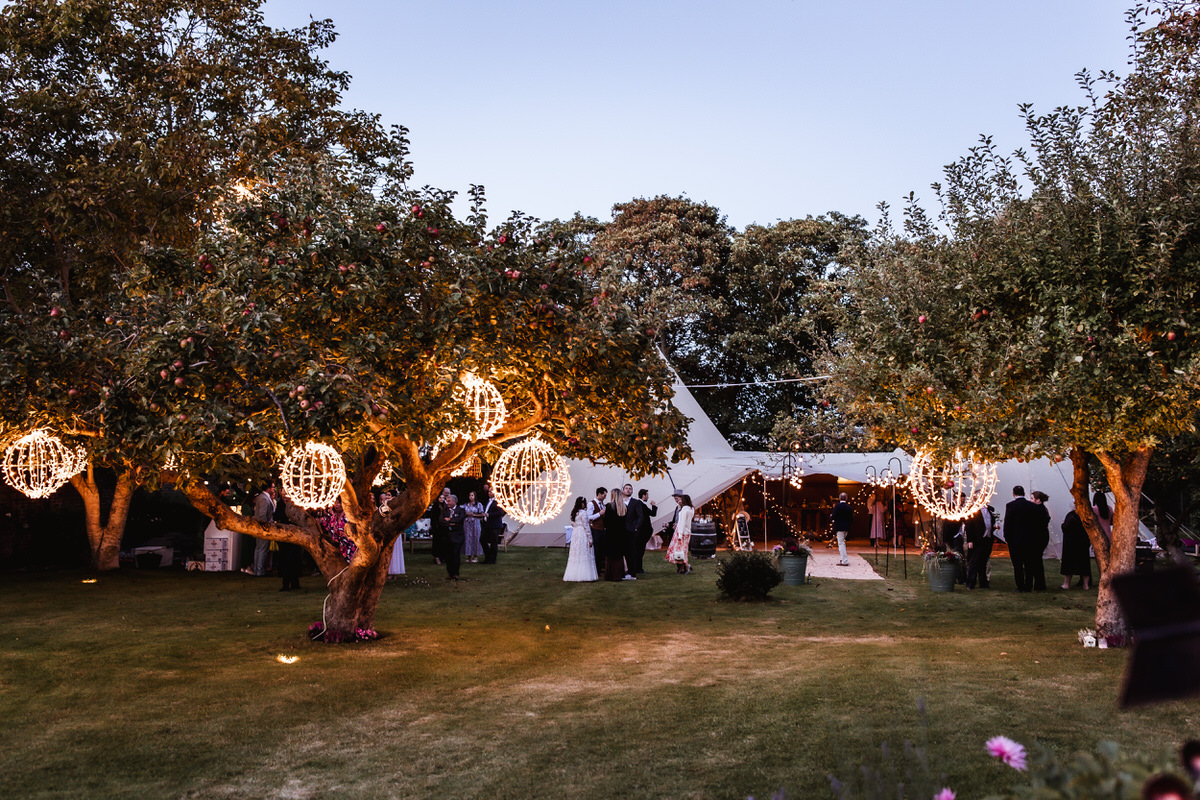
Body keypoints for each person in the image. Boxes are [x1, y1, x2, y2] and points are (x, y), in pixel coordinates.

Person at [1004, 485, 1040, 592]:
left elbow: (1008, 523)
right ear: (1024, 494)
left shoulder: (1011, 506)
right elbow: (1036, 524)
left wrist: (1007, 537)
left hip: (1015, 541)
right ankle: (1029, 585)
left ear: (1013, 494)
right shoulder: (1032, 506)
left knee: (1017, 565)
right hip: (1029, 540)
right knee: (1029, 564)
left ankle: (1020, 585)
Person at [274, 487, 303, 591]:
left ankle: (294, 583)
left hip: (295, 535)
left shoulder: (296, 505)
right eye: (283, 494)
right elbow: (276, 516)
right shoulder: (281, 504)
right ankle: (286, 584)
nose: (285, 496)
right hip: (284, 536)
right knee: (286, 559)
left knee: (293, 559)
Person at [563, 497, 598, 582]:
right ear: (583, 504)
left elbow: (573, 523)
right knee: (584, 552)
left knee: (576, 552)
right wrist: (590, 539)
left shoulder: (575, 513)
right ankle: (585, 574)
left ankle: (573, 574)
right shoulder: (583, 513)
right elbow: (586, 526)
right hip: (582, 533)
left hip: (575, 533)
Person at [244, 484, 275, 576]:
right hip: (263, 527)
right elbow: (262, 515)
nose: (273, 489)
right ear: (268, 488)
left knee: (259, 548)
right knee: (262, 548)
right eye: (272, 487)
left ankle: (258, 569)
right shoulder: (264, 498)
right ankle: (259, 570)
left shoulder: (262, 497)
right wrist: (265, 526)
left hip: (260, 526)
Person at [625, 488, 658, 574]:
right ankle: (637, 568)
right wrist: (653, 505)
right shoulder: (640, 504)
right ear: (644, 496)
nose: (648, 497)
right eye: (647, 495)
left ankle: (637, 567)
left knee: (639, 550)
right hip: (641, 531)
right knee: (639, 550)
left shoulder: (640, 504)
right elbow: (652, 513)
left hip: (641, 531)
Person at [604, 486, 633, 581]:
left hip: (611, 534)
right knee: (619, 556)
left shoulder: (609, 506)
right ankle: (618, 575)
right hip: (621, 535)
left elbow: (606, 522)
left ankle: (610, 575)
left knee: (611, 556)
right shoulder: (624, 508)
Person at [1059, 509, 1092, 590]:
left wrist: (1063, 524)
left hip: (1070, 543)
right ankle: (1086, 585)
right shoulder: (1086, 515)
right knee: (1084, 565)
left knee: (1069, 565)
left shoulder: (1070, 515)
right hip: (1083, 543)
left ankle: (1066, 584)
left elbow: (1065, 527)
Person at [963, 506, 992, 589]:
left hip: (987, 539)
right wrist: (970, 540)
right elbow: (969, 525)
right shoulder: (973, 510)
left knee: (983, 561)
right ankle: (971, 582)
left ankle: (983, 582)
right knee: (974, 561)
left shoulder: (988, 510)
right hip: (976, 539)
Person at [665, 493, 694, 574]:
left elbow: (682, 523)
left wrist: (680, 535)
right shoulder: (691, 509)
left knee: (679, 551)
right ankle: (684, 566)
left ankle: (686, 565)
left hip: (681, 532)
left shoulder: (684, 510)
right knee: (684, 550)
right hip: (687, 532)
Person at [1029, 491, 1051, 591]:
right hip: (1041, 537)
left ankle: (1039, 584)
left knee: (1036, 561)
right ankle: (1039, 584)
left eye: (1032, 498)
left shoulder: (1038, 510)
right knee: (1036, 561)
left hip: (1038, 538)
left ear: (1038, 500)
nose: (1030, 500)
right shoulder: (1043, 510)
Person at [442, 493, 466, 580]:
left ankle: (456, 573)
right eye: (446, 501)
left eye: (449, 501)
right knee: (448, 555)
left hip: (457, 536)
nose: (447, 503)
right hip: (447, 536)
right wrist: (450, 522)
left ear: (454, 502)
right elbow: (441, 520)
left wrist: (450, 520)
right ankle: (450, 573)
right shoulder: (445, 511)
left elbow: (460, 520)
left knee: (455, 554)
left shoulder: (461, 510)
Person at [480, 483, 505, 564]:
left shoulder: (498, 501)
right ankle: (488, 556)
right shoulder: (489, 501)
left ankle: (492, 559)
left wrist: (489, 515)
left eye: (491, 491)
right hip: (487, 524)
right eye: (489, 492)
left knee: (493, 542)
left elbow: (500, 512)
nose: (489, 493)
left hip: (495, 525)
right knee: (482, 540)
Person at [428, 487, 451, 565]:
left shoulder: (446, 505)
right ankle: (437, 558)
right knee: (437, 543)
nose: (441, 499)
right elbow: (433, 517)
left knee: (444, 542)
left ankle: (443, 557)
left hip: (444, 527)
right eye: (440, 497)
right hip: (437, 527)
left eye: (443, 498)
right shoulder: (436, 506)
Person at [588, 487, 608, 577]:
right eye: (604, 495)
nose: (605, 497)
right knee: (596, 550)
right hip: (595, 529)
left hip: (602, 530)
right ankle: (595, 569)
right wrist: (599, 514)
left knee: (601, 550)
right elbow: (588, 517)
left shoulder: (602, 504)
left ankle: (600, 569)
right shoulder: (591, 504)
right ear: (599, 494)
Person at [462, 490, 484, 564]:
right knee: (468, 538)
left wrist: (473, 515)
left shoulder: (478, 504)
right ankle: (468, 555)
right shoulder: (466, 504)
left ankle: (475, 556)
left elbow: (482, 514)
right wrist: (466, 514)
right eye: (469, 495)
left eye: (472, 495)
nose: (470, 497)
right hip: (467, 523)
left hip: (475, 523)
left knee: (475, 538)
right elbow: (462, 512)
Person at [831, 491, 853, 566]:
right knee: (842, 542)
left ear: (839, 498)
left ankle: (844, 560)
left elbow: (834, 516)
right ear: (846, 498)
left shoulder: (837, 506)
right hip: (846, 528)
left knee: (841, 544)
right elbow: (851, 518)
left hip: (839, 527)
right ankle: (843, 559)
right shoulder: (849, 507)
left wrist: (831, 516)